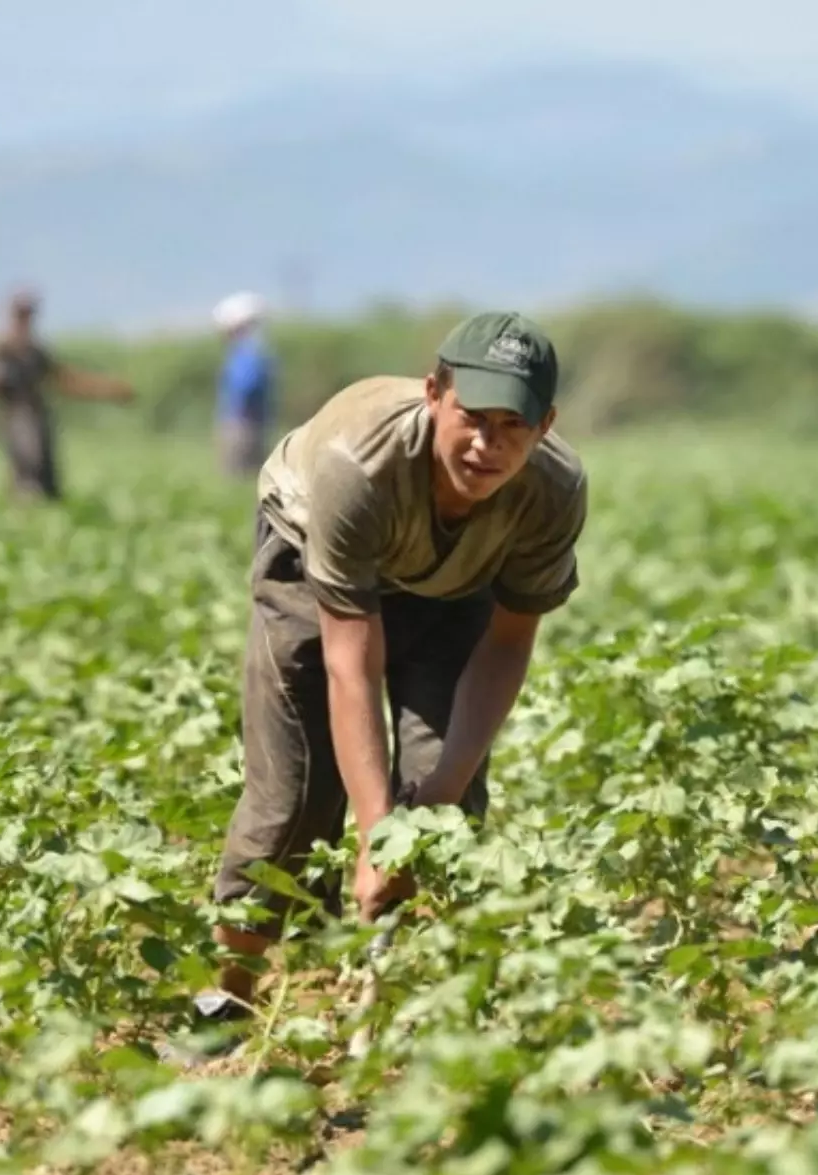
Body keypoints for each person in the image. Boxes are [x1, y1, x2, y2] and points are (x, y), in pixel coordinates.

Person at [194, 310, 588, 1033]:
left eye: (513, 426)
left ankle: (413, 1019)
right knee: (295, 797)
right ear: (435, 393)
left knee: (450, 795)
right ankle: (228, 998)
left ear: (546, 426)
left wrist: (432, 803)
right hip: (313, 550)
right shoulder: (359, 464)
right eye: (472, 415)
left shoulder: (550, 491)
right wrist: (378, 836)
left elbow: (506, 644)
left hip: (454, 585)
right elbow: (352, 662)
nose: (486, 443)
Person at [0, 289, 136, 500]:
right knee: (28, 474)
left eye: (28, 314)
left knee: (47, 480)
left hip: (38, 417)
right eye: (21, 314)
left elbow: (64, 380)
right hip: (15, 418)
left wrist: (109, 389)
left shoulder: (36, 351)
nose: (25, 320)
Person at [213, 291, 274, 478]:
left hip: (242, 423)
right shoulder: (255, 348)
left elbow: (247, 385)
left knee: (239, 476)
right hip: (253, 421)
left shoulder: (247, 349)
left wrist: (239, 415)